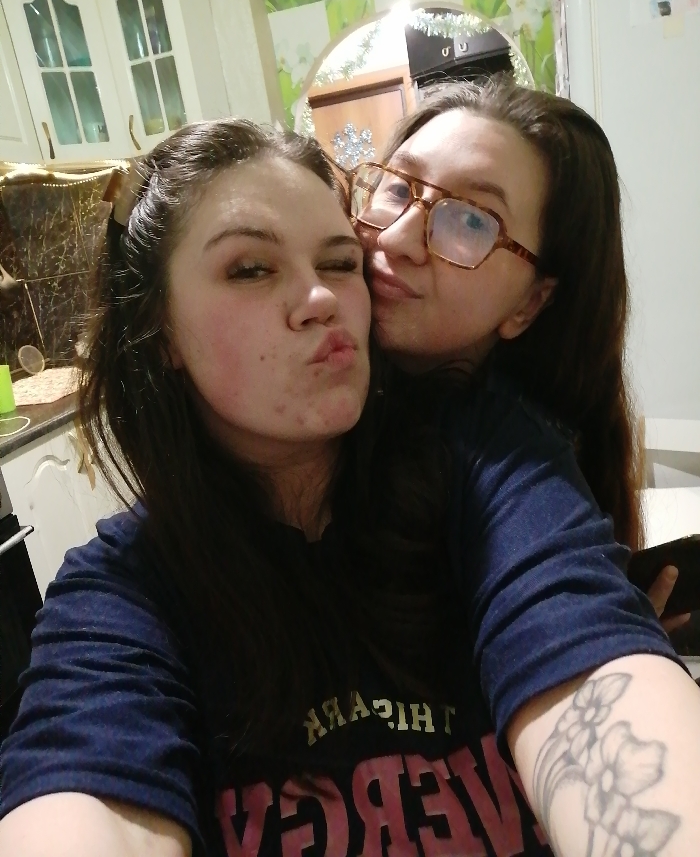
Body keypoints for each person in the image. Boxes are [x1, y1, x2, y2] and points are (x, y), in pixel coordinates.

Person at [0, 115, 698, 857]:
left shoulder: (486, 473)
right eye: (250, 269)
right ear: (160, 326)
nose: (321, 297)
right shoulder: (121, 595)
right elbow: (84, 789)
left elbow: (587, 665)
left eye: (339, 263)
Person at [350, 77, 689, 627]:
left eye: (471, 220)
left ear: (529, 304)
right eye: (396, 189)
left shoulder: (516, 460)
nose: (395, 239)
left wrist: (606, 641)